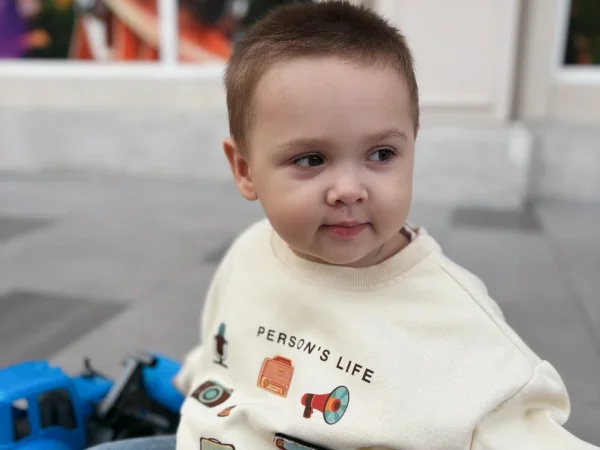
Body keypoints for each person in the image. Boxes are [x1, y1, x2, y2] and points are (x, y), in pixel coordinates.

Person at [89, 1, 600, 449]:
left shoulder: (460, 328)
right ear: (245, 170)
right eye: (311, 159)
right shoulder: (251, 252)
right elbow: (224, 355)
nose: (350, 189)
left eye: (381, 154)